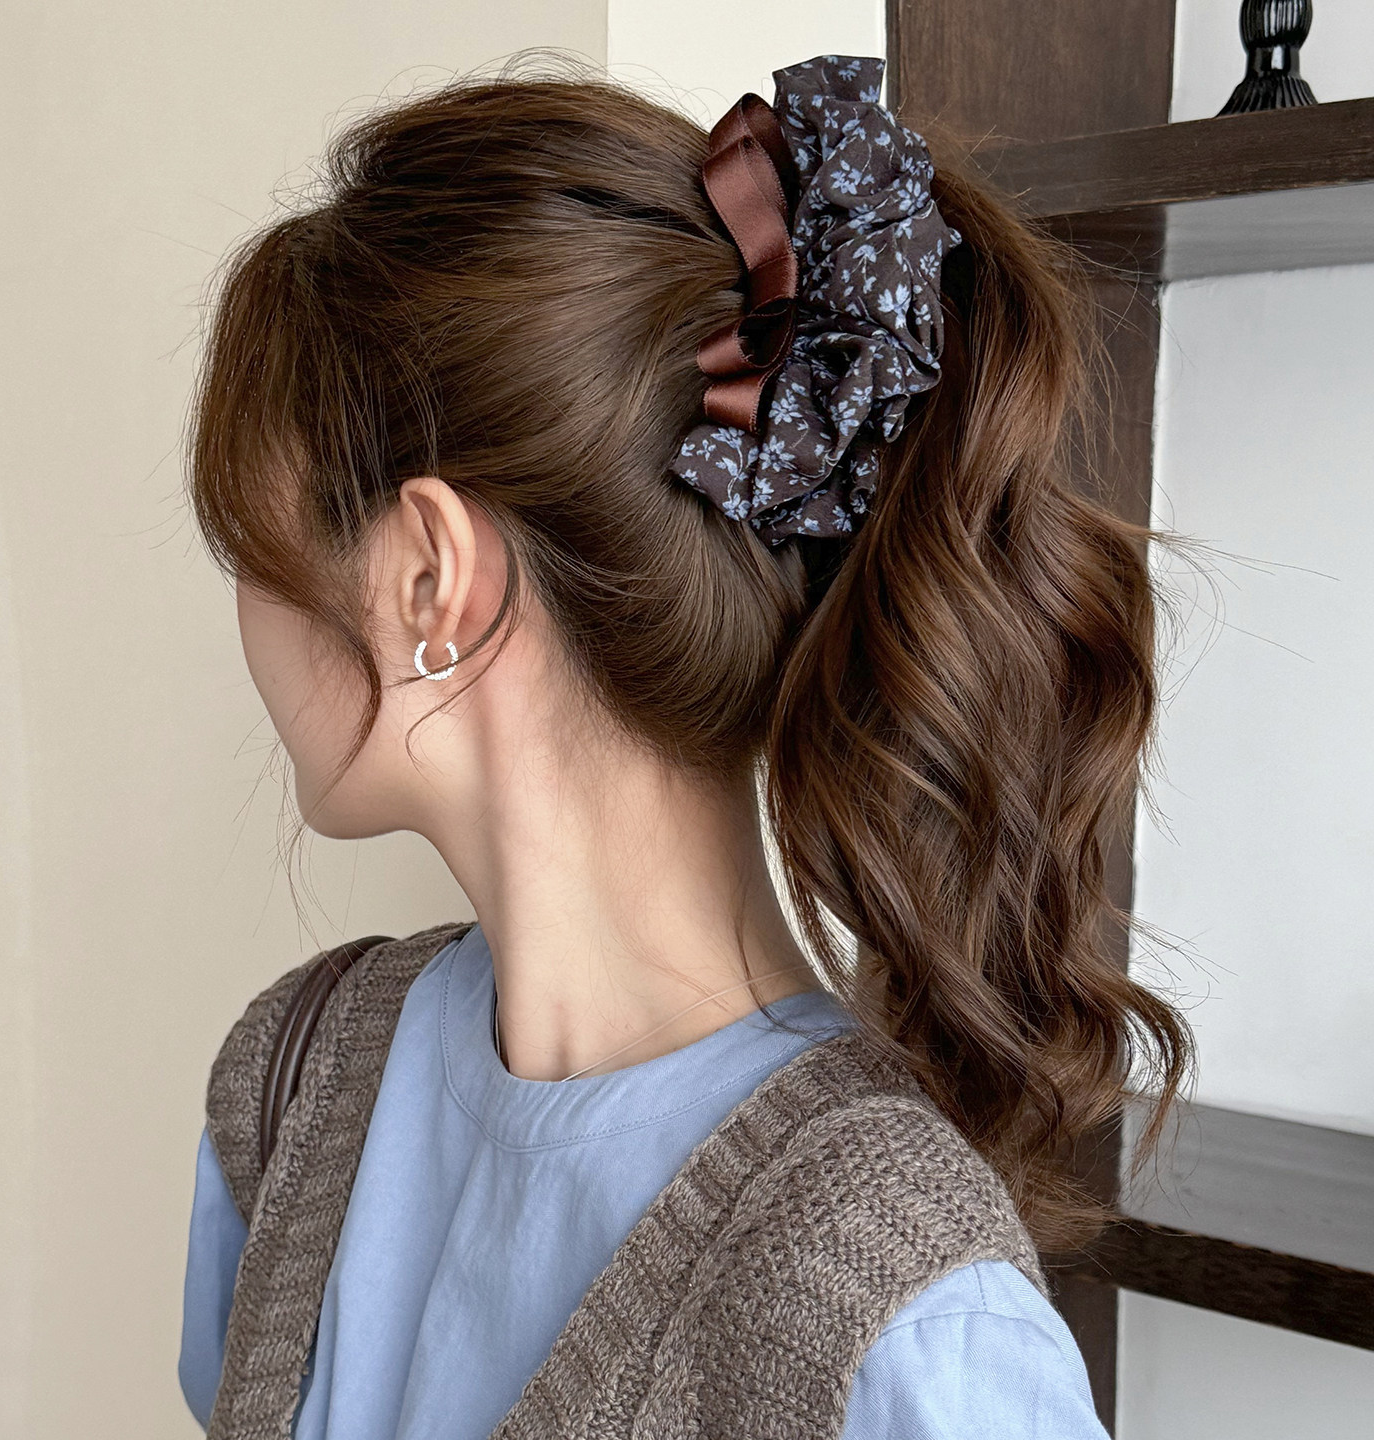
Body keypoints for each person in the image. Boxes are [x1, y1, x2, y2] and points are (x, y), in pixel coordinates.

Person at [176, 51, 1190, 1440]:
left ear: (427, 577)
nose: (244, 606)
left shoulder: (903, 1322)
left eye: (256, 541)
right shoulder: (296, 1081)